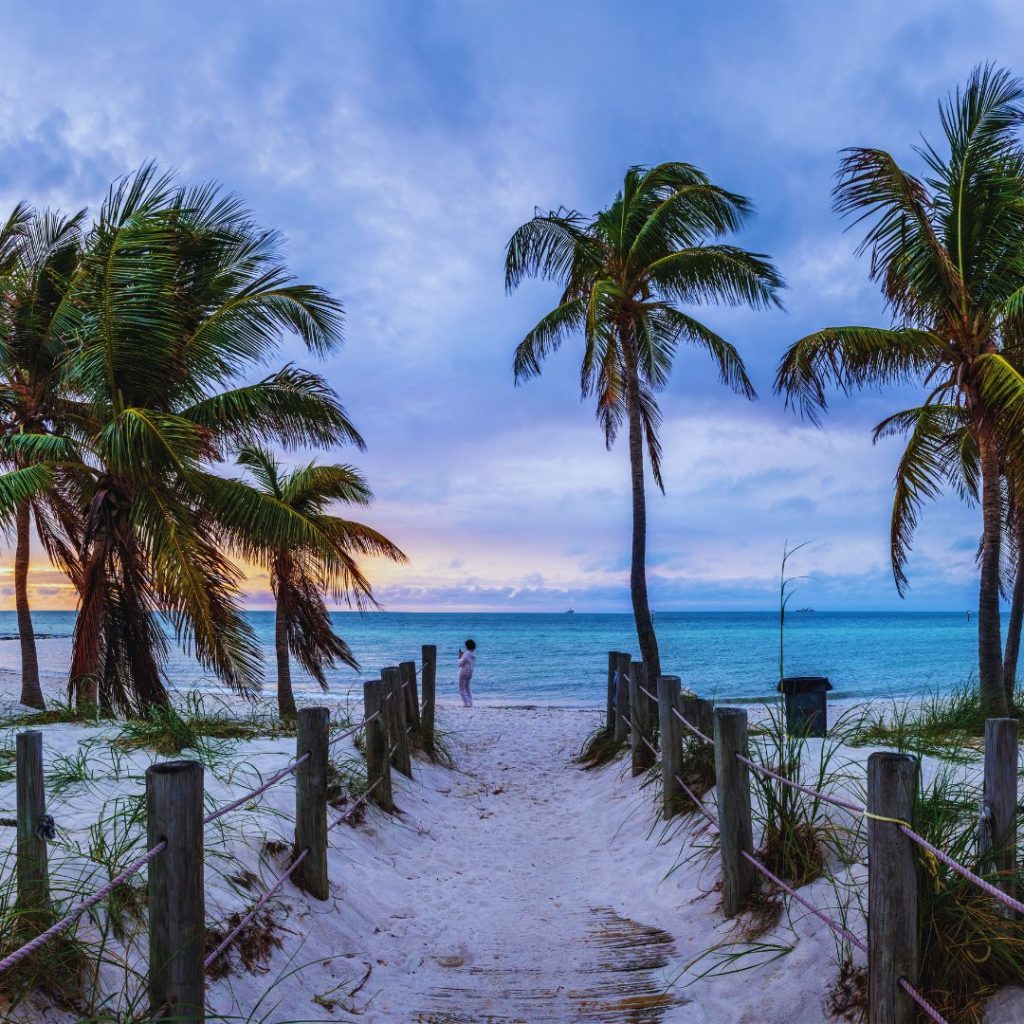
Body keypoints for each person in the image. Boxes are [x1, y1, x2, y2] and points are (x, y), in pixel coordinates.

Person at [457, 639, 477, 707]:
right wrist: (462, 656)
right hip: (470, 672)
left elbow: (460, 664)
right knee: (468, 688)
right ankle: (470, 702)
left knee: (461, 689)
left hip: (464, 672)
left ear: (467, 646)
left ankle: (466, 703)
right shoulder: (472, 655)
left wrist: (460, 657)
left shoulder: (466, 654)